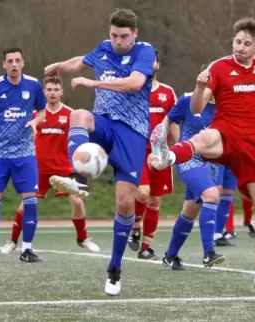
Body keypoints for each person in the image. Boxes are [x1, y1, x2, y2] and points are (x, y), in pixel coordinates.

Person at [149, 17, 255, 293]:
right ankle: (167, 157)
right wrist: (201, 86)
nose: (240, 47)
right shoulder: (219, 67)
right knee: (203, 138)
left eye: (246, 43)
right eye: (237, 41)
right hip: (226, 134)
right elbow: (198, 107)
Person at [45, 8, 156, 296]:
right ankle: (77, 176)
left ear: (135, 34)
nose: (117, 41)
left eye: (123, 36)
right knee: (79, 115)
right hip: (104, 124)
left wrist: (94, 83)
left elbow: (134, 84)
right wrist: (57, 65)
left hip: (131, 133)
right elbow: (81, 62)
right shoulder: (104, 49)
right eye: (113, 35)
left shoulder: (145, 52)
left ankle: (115, 267)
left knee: (125, 205)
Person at [1, 76, 100, 254]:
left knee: (77, 201)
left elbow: (81, 138)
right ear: (44, 92)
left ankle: (83, 238)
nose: (53, 93)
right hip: (39, 168)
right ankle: (13, 240)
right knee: (26, 204)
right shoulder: (36, 115)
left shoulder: (71, 114)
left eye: (56, 90)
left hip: (64, 168)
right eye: (49, 90)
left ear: (62, 92)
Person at [0, 47, 46, 263]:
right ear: (4, 64)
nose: (14, 65)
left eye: (17, 60)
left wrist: (35, 121)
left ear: (23, 62)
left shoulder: (34, 85)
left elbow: (43, 111)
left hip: (25, 153)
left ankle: (27, 249)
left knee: (30, 201)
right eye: (10, 61)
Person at [157, 85, 225, 270]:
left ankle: (170, 255)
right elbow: (167, 122)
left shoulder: (227, 106)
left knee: (190, 211)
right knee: (211, 195)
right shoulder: (187, 101)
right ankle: (209, 253)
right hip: (189, 159)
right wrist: (159, 148)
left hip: (213, 163)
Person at [127, 50, 179, 260]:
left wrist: (180, 148)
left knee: (155, 199)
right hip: (138, 150)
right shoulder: (133, 91)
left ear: (157, 64)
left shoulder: (167, 92)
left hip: (160, 151)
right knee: (143, 192)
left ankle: (146, 246)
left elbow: (173, 122)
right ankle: (135, 226)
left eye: (153, 60)